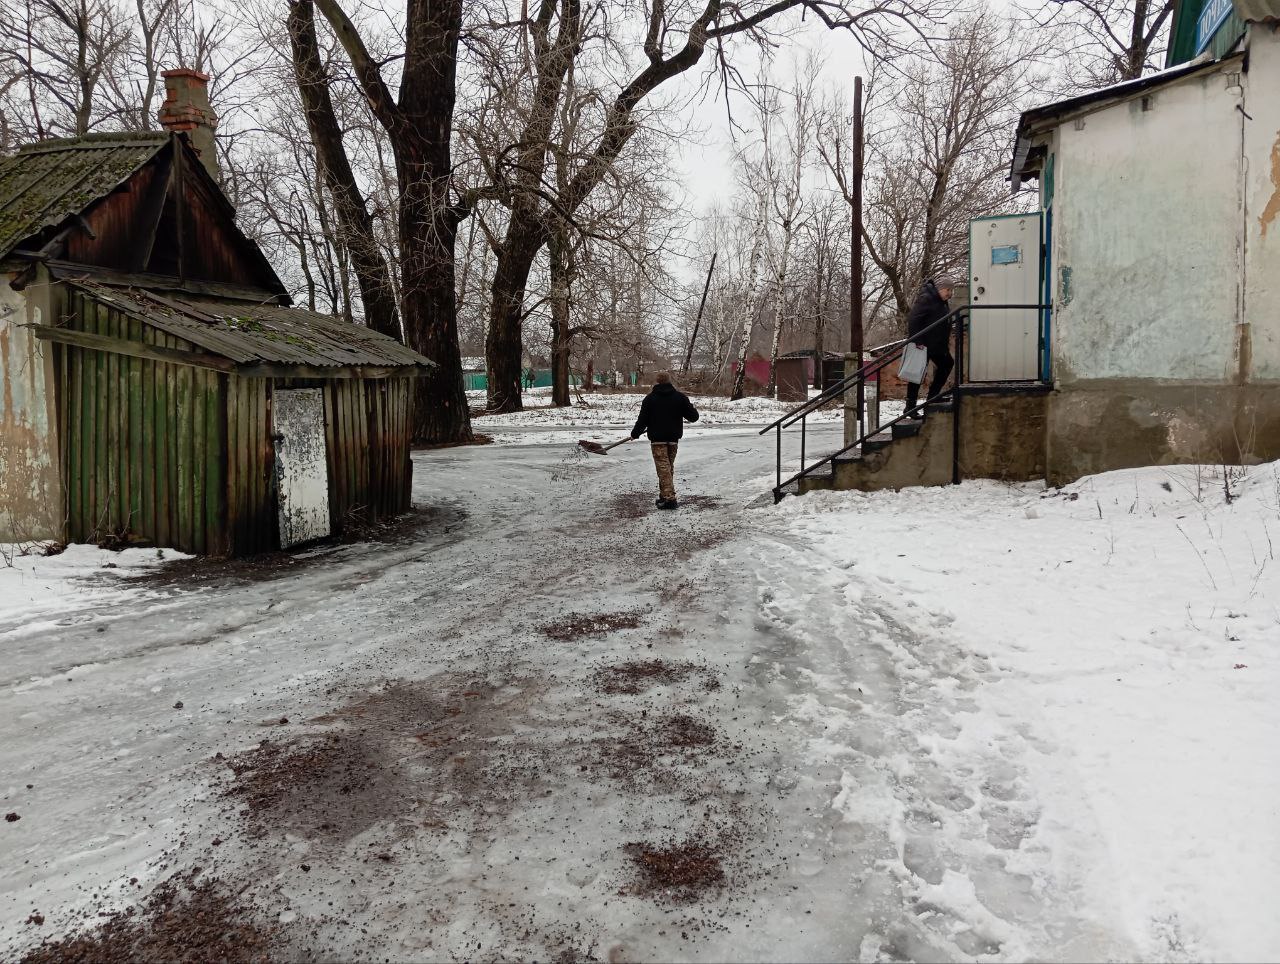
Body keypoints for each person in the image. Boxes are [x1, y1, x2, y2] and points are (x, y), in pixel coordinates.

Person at [630, 372, 699, 510]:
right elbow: (694, 417)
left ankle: (669, 499)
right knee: (667, 468)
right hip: (673, 439)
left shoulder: (650, 399)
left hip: (658, 440)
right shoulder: (680, 398)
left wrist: (635, 433)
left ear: (657, 382)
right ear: (669, 381)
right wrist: (689, 407)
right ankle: (664, 495)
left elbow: (642, 420)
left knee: (664, 469)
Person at [904, 276, 957, 416]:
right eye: (948, 290)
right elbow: (913, 320)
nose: (950, 293)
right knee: (917, 374)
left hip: (937, 345)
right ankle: (910, 407)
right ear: (940, 288)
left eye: (951, 290)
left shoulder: (942, 302)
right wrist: (918, 341)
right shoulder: (926, 298)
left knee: (947, 364)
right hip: (923, 345)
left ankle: (932, 397)